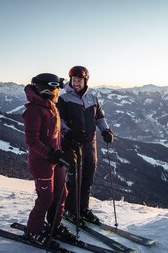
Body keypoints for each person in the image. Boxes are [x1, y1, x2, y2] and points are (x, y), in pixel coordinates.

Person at [23, 73, 76, 248]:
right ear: (47, 89)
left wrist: (64, 151)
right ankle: (33, 231)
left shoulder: (51, 107)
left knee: (62, 194)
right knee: (46, 198)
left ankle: (55, 225)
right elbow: (32, 140)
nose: (57, 92)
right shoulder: (33, 110)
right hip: (41, 162)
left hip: (55, 159)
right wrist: (53, 154)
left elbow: (54, 137)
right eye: (55, 88)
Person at [57, 66, 113, 223]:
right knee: (74, 180)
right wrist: (69, 133)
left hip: (91, 145)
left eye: (79, 80)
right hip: (73, 144)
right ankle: (70, 210)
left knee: (88, 178)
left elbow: (99, 118)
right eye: (74, 80)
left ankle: (83, 209)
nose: (76, 83)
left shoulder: (93, 98)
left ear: (85, 81)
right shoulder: (64, 99)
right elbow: (59, 121)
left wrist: (106, 131)